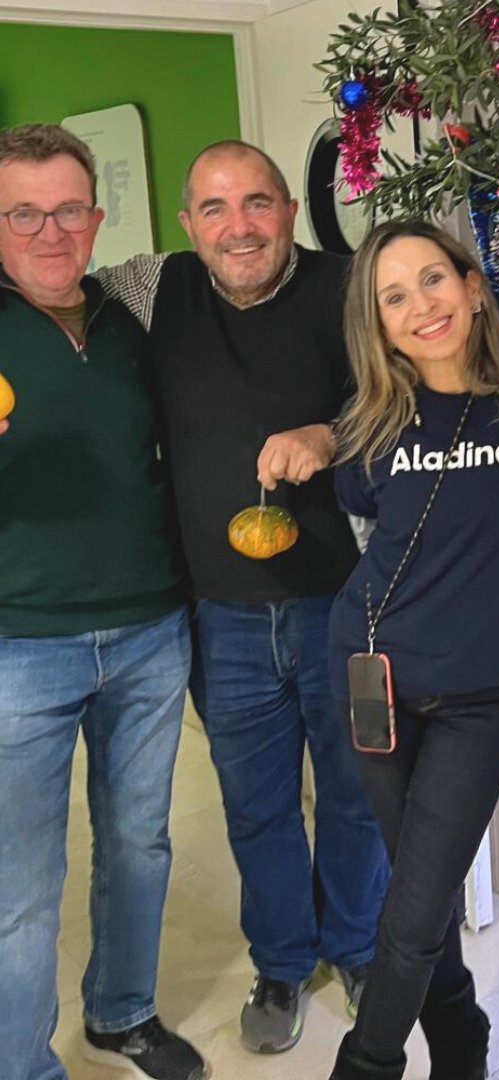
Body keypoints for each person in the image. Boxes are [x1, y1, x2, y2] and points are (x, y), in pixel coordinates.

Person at [95, 140, 389, 1053]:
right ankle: (283, 959)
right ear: (187, 224)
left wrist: (329, 433)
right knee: (255, 803)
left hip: (345, 604)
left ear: (288, 212)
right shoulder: (155, 287)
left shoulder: (349, 286)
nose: (239, 227)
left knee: (353, 793)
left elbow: (410, 393)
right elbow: (41, 262)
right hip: (218, 614)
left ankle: (358, 945)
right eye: (214, 210)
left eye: (257, 203)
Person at [325, 219, 499, 1080]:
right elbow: (378, 544)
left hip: (480, 698)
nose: (421, 305)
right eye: (395, 296)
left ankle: (368, 1063)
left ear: (471, 286)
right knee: (419, 899)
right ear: (379, 322)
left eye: (433, 279)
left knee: (412, 910)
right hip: (371, 677)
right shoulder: (368, 427)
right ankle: (461, 1036)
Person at [0, 125, 206, 1080]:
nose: (50, 232)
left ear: (97, 215)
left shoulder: (134, 312)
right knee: (21, 891)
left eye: (68, 209)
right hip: (17, 648)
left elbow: (244, 252)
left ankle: (122, 1013)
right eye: (24, 212)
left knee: (140, 845)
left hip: (150, 635)